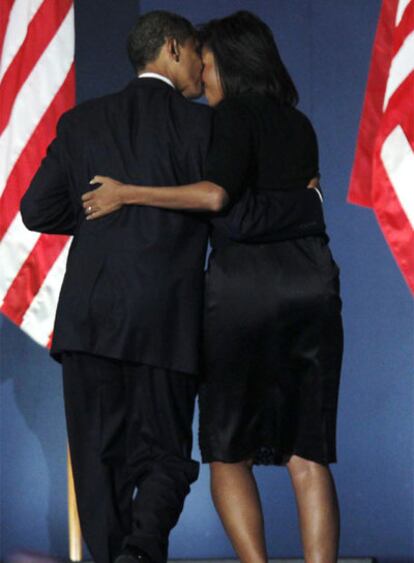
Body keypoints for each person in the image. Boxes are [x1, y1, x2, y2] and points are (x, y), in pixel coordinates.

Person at [20, 10, 322, 563]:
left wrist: (98, 214)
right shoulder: (205, 126)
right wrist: (305, 200)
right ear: (173, 49)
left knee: (96, 461)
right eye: (197, 57)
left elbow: (35, 209)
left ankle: (121, 556)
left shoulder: (80, 122)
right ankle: (142, 549)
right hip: (168, 318)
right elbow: (230, 208)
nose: (204, 72)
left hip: (90, 318)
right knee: (166, 455)